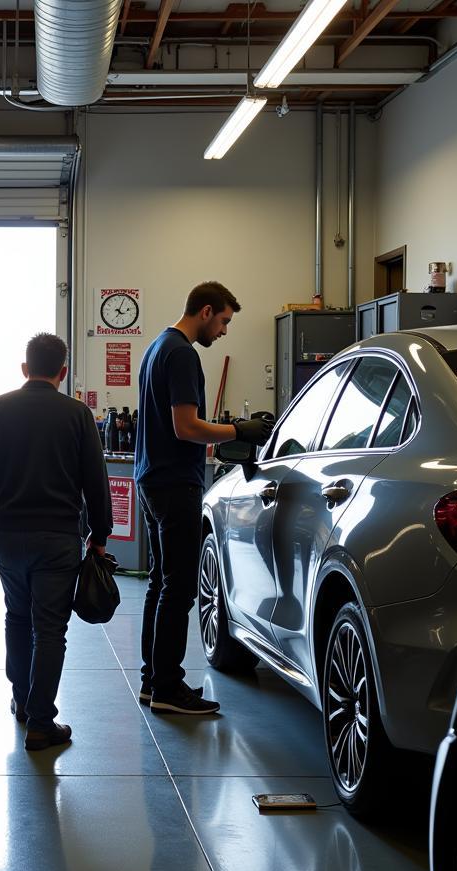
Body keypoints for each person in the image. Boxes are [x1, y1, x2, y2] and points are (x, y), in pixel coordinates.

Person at [0, 332, 113, 752]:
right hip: (59, 538)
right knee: (50, 629)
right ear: (63, 372)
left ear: (24, 368)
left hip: (8, 535)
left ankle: (22, 701)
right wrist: (99, 536)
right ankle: (42, 722)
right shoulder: (77, 414)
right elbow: (96, 484)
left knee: (17, 616)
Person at [135, 282, 271, 715]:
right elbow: (187, 427)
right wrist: (239, 431)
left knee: (160, 584)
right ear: (207, 311)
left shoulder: (157, 347)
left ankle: (152, 680)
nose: (225, 331)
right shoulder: (182, 354)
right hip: (175, 484)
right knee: (179, 589)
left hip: (152, 479)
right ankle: (169, 690)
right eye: (225, 321)